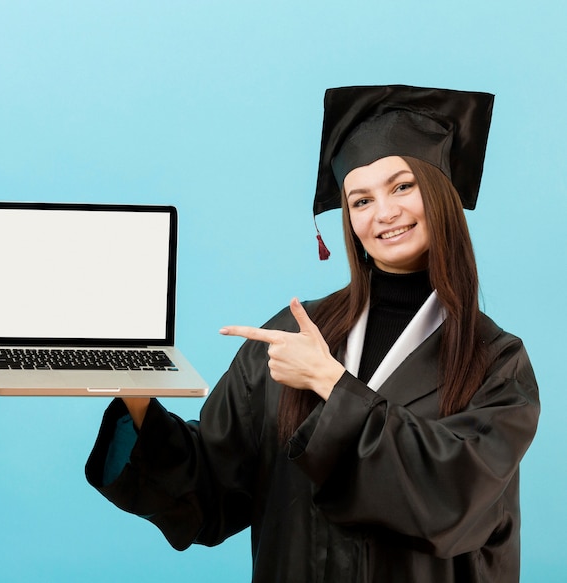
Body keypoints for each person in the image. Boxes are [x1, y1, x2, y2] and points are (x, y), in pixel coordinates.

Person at [86, 85, 540, 582]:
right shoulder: (293, 336)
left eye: (403, 187)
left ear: (440, 194)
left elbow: (454, 499)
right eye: (360, 199)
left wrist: (331, 383)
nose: (383, 214)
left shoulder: (494, 360)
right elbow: (209, 490)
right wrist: (136, 395)